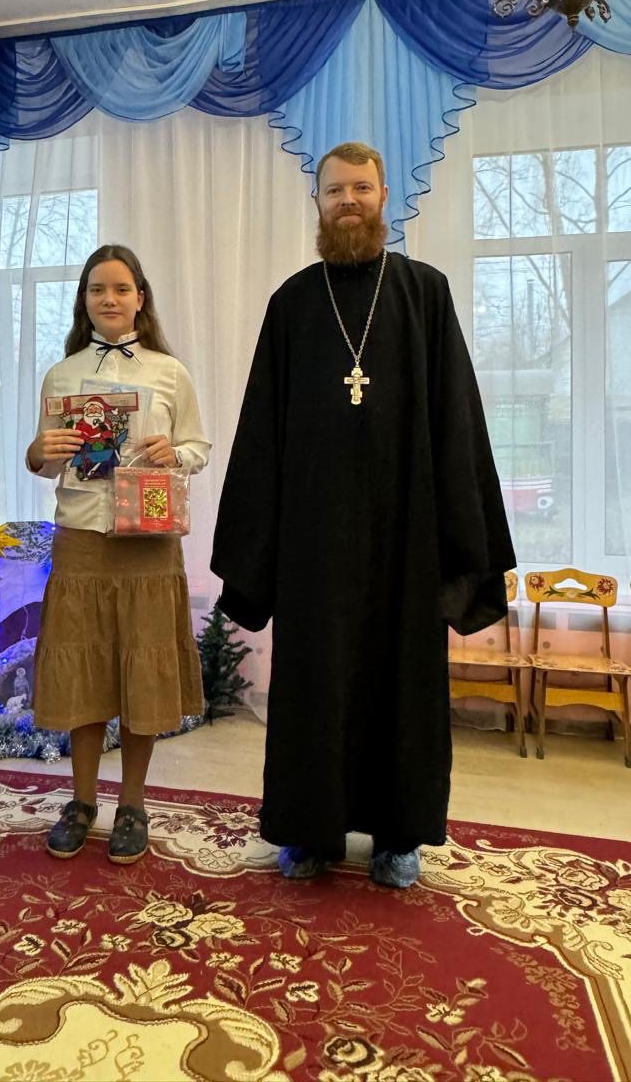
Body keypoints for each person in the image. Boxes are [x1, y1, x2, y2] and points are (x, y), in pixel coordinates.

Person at [211, 142, 514, 889]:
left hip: (404, 539)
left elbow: (457, 418)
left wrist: (463, 539)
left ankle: (397, 836)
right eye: (335, 191)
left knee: (401, 687)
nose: (348, 201)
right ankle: (308, 832)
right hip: (313, 540)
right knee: (314, 684)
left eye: (361, 189)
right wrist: (257, 547)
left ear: (383, 197)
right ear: (317, 203)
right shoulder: (292, 303)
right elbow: (261, 432)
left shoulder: (424, 293)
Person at [27, 244, 210, 864]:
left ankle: (132, 804)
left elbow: (198, 448)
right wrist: (40, 450)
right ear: (84, 300)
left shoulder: (169, 372)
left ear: (140, 298)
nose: (109, 299)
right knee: (84, 671)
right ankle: (81, 802)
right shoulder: (62, 374)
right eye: (97, 289)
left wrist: (172, 453)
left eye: (121, 289)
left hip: (148, 542)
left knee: (141, 672)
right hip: (81, 540)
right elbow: (42, 459)